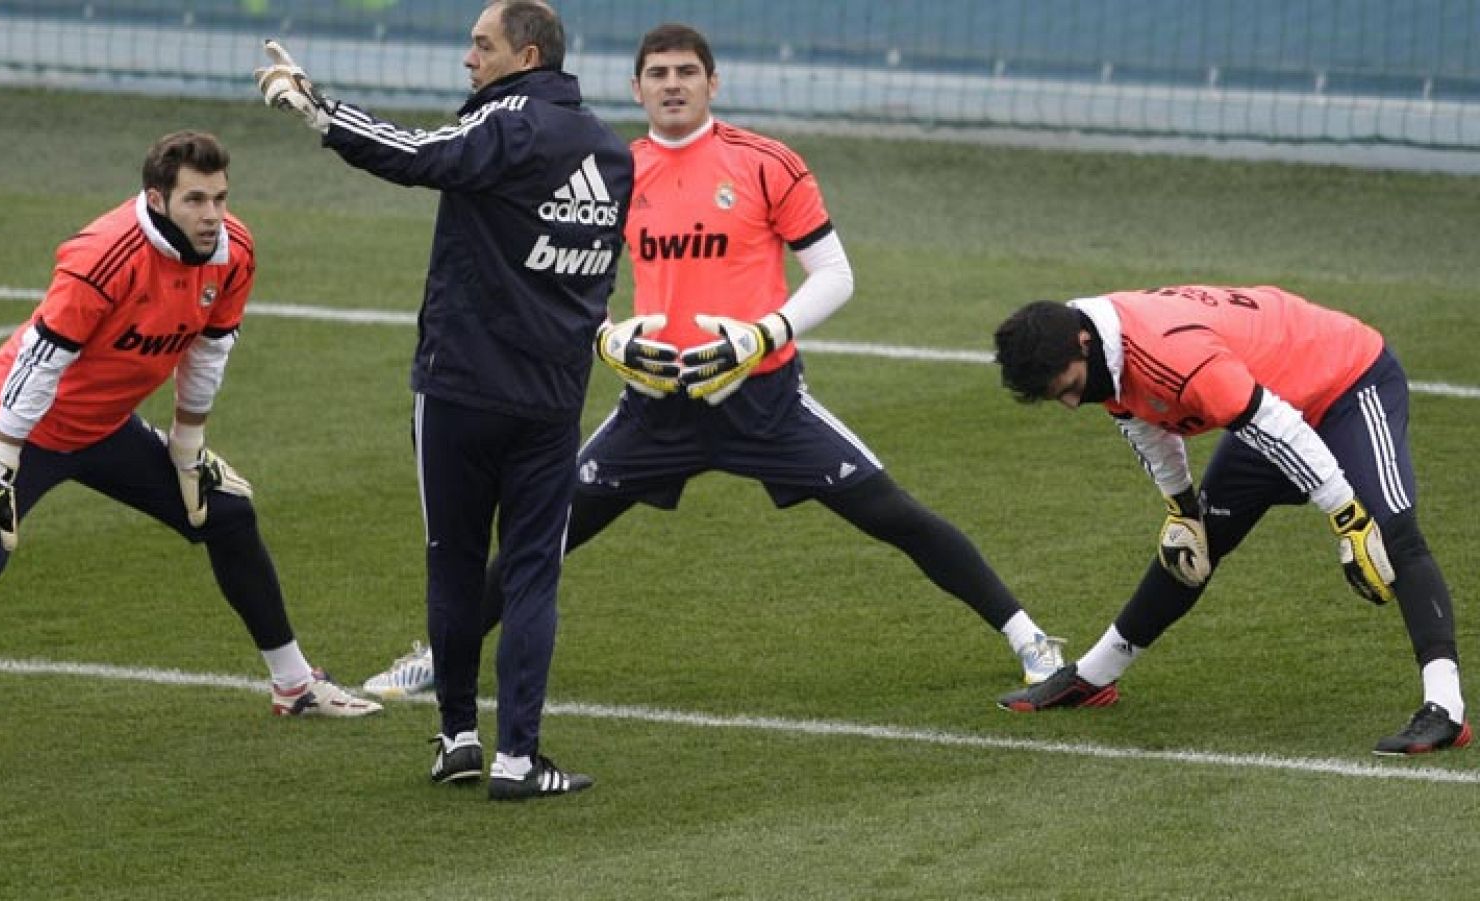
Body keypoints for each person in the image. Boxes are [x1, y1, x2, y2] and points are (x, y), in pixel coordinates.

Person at [361, 22, 1068, 706]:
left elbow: (835, 274)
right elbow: (562, 276)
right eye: (658, 74)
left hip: (766, 405)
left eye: (687, 73)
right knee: (541, 536)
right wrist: (605, 338)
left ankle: (1030, 637)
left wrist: (763, 335)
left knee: (894, 515)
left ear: (713, 83)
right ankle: (442, 655)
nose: (673, 85)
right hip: (654, 413)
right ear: (636, 88)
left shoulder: (766, 163)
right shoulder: (610, 167)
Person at [0, 131, 381, 793]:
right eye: (195, 200)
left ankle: (295, 685)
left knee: (226, 514)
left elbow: (208, 351)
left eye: (220, 198)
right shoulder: (103, 255)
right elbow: (38, 365)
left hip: (103, 427)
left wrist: (187, 450)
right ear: (157, 199)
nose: (212, 215)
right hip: (15, 421)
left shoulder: (232, 251)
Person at [256, 0, 632, 799]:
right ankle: (517, 759)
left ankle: (458, 734)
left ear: (526, 57)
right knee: (531, 575)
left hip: (461, 389)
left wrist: (319, 111)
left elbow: (419, 155)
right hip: (551, 400)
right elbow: (597, 273)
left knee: (454, 563)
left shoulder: (507, 122)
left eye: (481, 45)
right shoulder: (611, 151)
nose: (469, 59)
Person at [991, 285, 1468, 755]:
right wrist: (1181, 507)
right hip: (1269, 399)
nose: (1072, 403)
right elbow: (1142, 422)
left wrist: (1348, 518)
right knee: (1195, 543)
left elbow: (1277, 425)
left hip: (1345, 381)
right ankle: (1094, 677)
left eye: (1070, 388)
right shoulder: (1101, 350)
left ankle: (1445, 708)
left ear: (1083, 344)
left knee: (1391, 532)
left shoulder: (1169, 353)